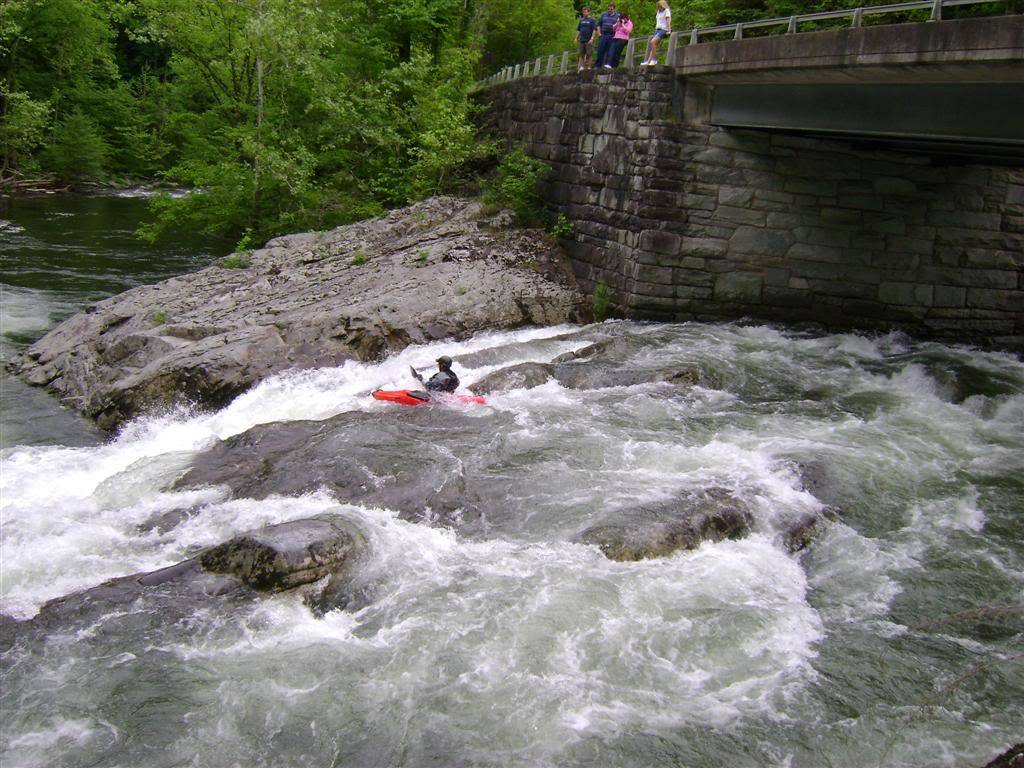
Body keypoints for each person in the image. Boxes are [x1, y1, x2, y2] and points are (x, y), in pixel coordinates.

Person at [641, 0, 671, 66]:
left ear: (663, 5)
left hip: (663, 29)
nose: (659, 8)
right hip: (657, 29)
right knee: (654, 45)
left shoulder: (666, 11)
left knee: (652, 42)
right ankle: (648, 61)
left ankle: (654, 60)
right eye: (658, 6)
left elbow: (668, 21)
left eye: (660, 6)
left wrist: (669, 30)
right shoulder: (658, 12)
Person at [593, 3, 620, 69]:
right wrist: (599, 34)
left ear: (614, 9)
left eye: (611, 9)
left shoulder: (617, 16)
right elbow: (598, 24)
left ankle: (608, 65)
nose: (609, 10)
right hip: (603, 34)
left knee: (610, 51)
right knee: (600, 50)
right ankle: (597, 66)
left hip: (612, 35)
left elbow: (619, 26)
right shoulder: (603, 14)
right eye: (608, 9)